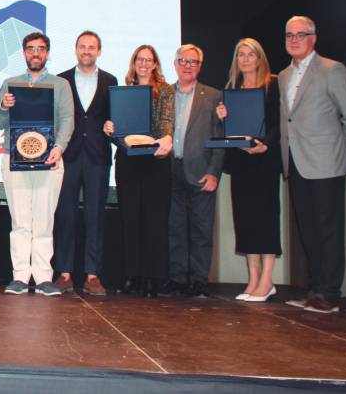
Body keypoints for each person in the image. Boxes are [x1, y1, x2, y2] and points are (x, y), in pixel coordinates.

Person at [279, 16, 346, 314]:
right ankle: (315, 289)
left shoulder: (332, 69)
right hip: (297, 162)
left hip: (327, 163)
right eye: (289, 35)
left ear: (313, 38)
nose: (294, 39)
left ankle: (329, 293)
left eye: (300, 34)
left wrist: (340, 151)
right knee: (309, 229)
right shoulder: (284, 76)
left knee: (328, 229)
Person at [0, 32, 74, 297]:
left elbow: (67, 120)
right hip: (14, 158)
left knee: (43, 220)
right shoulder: (10, 83)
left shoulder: (61, 84)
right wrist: (5, 107)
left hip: (49, 159)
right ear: (24, 53)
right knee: (20, 221)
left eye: (40, 49)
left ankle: (42, 278)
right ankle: (19, 277)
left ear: (48, 53)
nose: (36, 53)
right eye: (31, 49)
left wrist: (59, 148)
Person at [103, 45, 174, 298]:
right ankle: (132, 276)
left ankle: (155, 278)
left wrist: (162, 140)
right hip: (129, 161)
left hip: (155, 161)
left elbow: (166, 123)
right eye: (139, 60)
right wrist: (110, 131)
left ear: (155, 64)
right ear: (134, 63)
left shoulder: (165, 91)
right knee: (130, 220)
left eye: (149, 60)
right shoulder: (123, 93)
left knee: (154, 221)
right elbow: (117, 133)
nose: (144, 64)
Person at [215, 38, 282, 302]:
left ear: (259, 58)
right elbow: (226, 131)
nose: (244, 59)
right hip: (242, 162)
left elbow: (279, 122)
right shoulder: (231, 89)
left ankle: (268, 279)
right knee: (246, 219)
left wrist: (264, 145)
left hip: (264, 161)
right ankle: (253, 278)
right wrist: (223, 119)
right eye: (240, 54)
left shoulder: (273, 85)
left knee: (265, 218)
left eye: (250, 54)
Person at [54, 30, 117, 295]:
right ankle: (65, 273)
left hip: (98, 157)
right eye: (83, 46)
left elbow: (117, 117)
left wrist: (115, 126)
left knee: (95, 216)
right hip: (68, 155)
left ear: (99, 51)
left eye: (92, 47)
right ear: (76, 49)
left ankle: (93, 275)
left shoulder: (111, 81)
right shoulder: (62, 80)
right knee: (65, 214)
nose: (87, 51)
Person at [162, 44, 224, 298]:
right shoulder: (164, 94)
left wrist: (214, 172)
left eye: (193, 62)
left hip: (201, 171)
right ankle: (177, 278)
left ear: (200, 66)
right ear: (175, 64)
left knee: (201, 229)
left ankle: (199, 280)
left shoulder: (214, 96)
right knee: (174, 228)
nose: (187, 66)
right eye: (182, 61)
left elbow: (220, 139)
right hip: (169, 170)